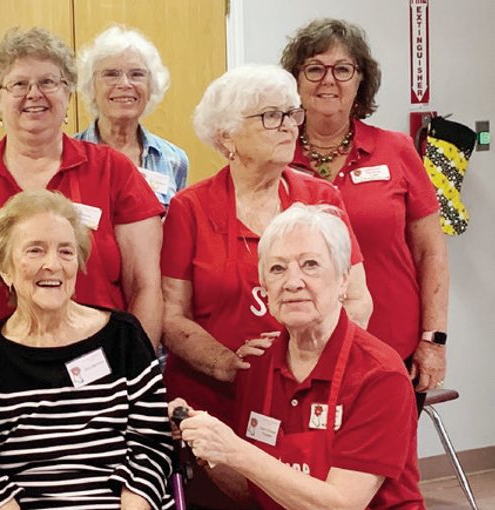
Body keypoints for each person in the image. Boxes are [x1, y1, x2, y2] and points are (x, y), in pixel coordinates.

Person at [0, 27, 164, 431]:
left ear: (68, 95)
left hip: (100, 394)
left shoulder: (114, 173)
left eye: (49, 82)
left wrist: (133, 384)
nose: (34, 95)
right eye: (19, 84)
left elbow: (146, 286)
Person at [159, 64, 372, 506]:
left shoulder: (321, 199)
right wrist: (224, 362)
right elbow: (171, 314)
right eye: (270, 116)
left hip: (307, 396)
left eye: (291, 114)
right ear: (227, 138)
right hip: (217, 397)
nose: (290, 126)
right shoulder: (190, 207)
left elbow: (356, 297)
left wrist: (305, 356)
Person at [171, 203, 424, 509]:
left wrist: (235, 449)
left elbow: (340, 505)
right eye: (277, 269)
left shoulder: (379, 375)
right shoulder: (260, 364)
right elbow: (255, 491)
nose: (292, 282)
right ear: (264, 287)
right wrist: (208, 449)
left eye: (310, 265)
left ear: (343, 279)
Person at [0, 190, 173, 510]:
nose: (52, 265)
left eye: (66, 252)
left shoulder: (123, 338)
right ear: (5, 269)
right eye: (35, 250)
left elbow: (152, 445)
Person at [282, 18, 448, 400]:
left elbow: (431, 251)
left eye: (343, 69)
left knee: (382, 458)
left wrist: (434, 340)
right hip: (300, 347)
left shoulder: (398, 150)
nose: (329, 80)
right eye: (314, 68)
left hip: (392, 347)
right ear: (295, 80)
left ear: (361, 81)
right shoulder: (276, 157)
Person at [75, 24, 189, 207]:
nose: (125, 84)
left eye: (137, 74)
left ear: (151, 86)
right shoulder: (69, 156)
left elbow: (178, 229)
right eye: (111, 74)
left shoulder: (174, 159)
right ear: (91, 86)